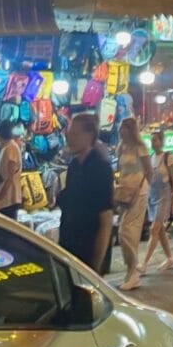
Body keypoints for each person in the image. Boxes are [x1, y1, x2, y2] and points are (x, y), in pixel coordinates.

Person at [58, 114, 114, 273]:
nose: (70, 138)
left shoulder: (100, 168)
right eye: (69, 134)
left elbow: (106, 220)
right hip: (70, 250)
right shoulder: (74, 166)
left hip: (88, 255)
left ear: (89, 136)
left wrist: (95, 267)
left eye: (75, 134)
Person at [114, 117, 151, 290]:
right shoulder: (121, 147)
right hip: (124, 192)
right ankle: (131, 271)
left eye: (124, 128)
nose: (121, 131)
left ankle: (133, 271)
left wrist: (146, 191)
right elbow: (120, 171)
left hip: (139, 192)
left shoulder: (140, 147)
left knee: (127, 232)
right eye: (120, 128)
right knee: (125, 231)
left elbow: (149, 171)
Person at [139, 130, 173, 275]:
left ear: (161, 141)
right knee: (160, 229)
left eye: (155, 140)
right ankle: (169, 257)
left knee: (154, 229)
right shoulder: (150, 158)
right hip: (152, 196)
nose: (152, 143)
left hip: (164, 196)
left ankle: (144, 263)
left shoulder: (168, 157)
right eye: (151, 140)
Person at [0, 121, 23, 219]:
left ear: (0, 132)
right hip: (5, 201)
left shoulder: (11, 148)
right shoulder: (6, 147)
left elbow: (9, 178)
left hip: (8, 200)